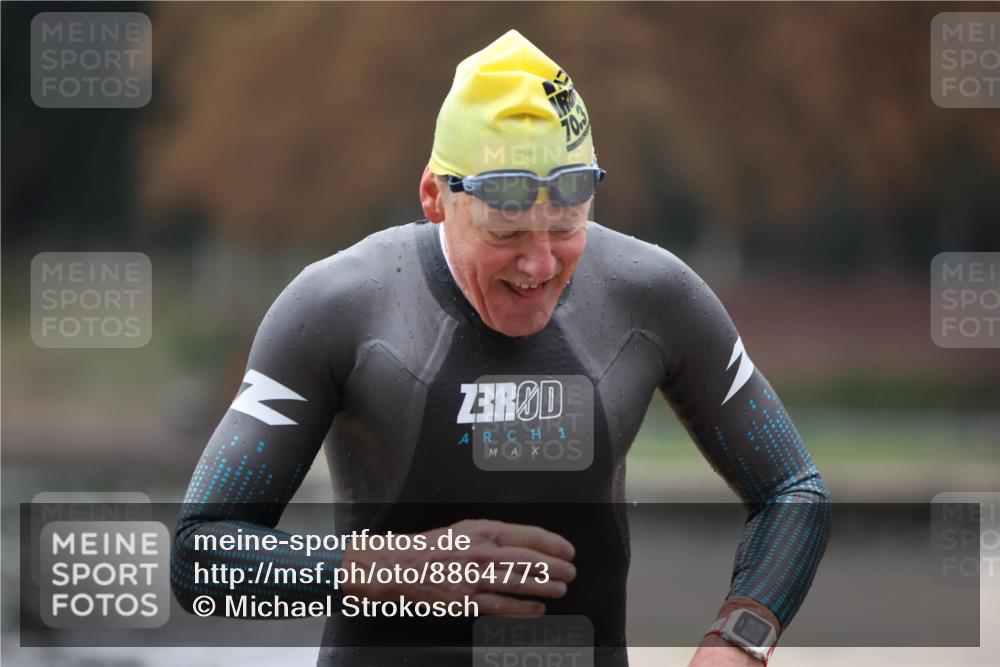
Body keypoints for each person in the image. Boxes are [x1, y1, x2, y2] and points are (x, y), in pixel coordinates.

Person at [172, 29, 831, 667]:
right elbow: (199, 554)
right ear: (435, 195)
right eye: (507, 232)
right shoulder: (336, 307)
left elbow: (792, 490)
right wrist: (399, 567)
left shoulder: (652, 294)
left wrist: (738, 639)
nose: (539, 264)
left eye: (566, 228)